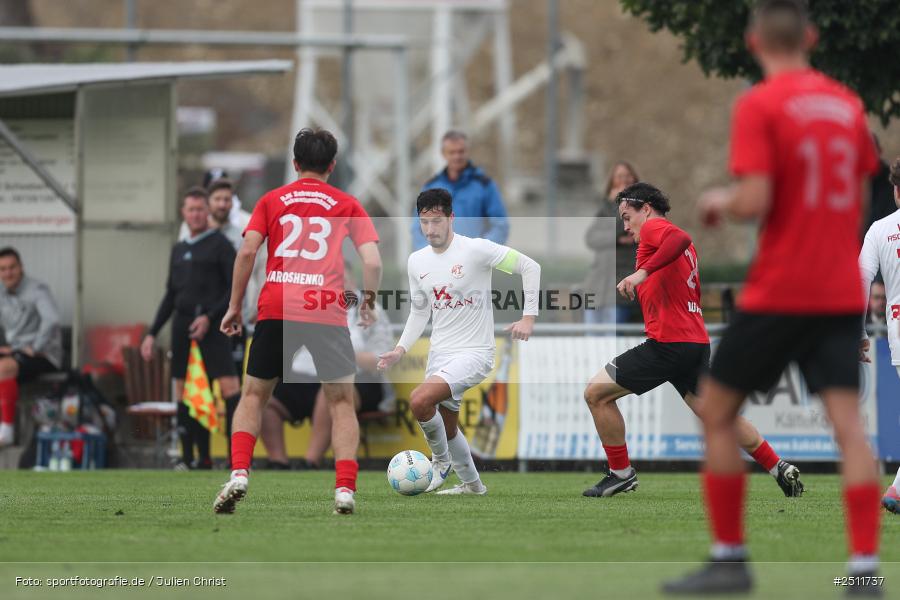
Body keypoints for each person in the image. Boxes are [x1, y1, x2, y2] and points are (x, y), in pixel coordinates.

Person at [664, 1, 882, 594]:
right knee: (849, 429)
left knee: (716, 412)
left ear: (754, 41)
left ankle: (730, 558)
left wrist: (717, 201)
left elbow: (756, 198)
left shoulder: (760, 103)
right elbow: (860, 183)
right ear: (811, 36)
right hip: (838, 291)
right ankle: (864, 570)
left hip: (783, 288)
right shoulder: (847, 105)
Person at [582, 182, 804, 498]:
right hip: (693, 343)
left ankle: (621, 473)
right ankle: (778, 466)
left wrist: (640, 274)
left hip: (667, 344)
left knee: (596, 394)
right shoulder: (669, 243)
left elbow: (680, 237)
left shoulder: (656, 229)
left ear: (645, 209)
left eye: (627, 216)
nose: (626, 225)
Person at [214, 127, 382, 516]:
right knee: (341, 403)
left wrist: (235, 306)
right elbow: (371, 261)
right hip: (325, 308)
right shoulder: (347, 203)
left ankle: (239, 472)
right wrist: (368, 304)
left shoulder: (272, 200)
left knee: (254, 395)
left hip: (277, 306)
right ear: (333, 165)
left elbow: (247, 253)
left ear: (294, 163)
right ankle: (344, 490)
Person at [379, 188, 540, 495]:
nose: (430, 229)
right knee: (449, 427)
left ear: (452, 218)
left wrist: (528, 317)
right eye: (424, 222)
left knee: (419, 400)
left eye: (437, 221)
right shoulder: (417, 261)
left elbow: (530, 267)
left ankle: (440, 464)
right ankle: (474, 486)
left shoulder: (476, 250)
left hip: (475, 353)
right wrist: (400, 349)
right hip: (440, 355)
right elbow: (419, 311)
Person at [141, 188, 240, 470]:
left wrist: (210, 317)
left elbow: (234, 288)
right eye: (191, 209)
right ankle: (192, 457)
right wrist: (151, 333)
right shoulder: (179, 248)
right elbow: (171, 295)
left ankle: (236, 459)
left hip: (213, 326)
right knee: (187, 392)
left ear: (207, 212)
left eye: (200, 209)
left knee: (230, 388)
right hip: (183, 327)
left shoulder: (221, 245)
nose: (196, 214)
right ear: (183, 213)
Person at [260, 267, 395, 469]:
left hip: (361, 379)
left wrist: (339, 352)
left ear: (352, 281)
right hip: (307, 377)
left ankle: (310, 462)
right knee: (263, 396)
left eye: (341, 280)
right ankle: (278, 461)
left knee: (330, 389)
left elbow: (381, 360)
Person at [179, 178, 267, 462]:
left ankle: (235, 457)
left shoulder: (244, 226)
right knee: (200, 388)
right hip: (206, 322)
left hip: (235, 319)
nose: (222, 204)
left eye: (226, 199)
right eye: (217, 199)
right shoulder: (191, 232)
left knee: (234, 388)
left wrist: (249, 307)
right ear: (208, 204)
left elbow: (257, 270)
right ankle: (200, 457)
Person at [859, 157, 900, 515]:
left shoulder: (880, 229)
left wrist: (858, 331)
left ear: (896, 191)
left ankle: (898, 488)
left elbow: (860, 281)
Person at [0, 247, 62, 447]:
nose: (8, 273)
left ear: (21, 267)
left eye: (12, 267)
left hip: (43, 353)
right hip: (17, 352)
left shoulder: (37, 290)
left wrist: (35, 346)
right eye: (3, 269)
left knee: (3, 368)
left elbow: (52, 320)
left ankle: (7, 430)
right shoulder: (1, 294)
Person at [412, 130, 509, 250]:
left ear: (467, 152)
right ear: (443, 154)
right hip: (440, 261)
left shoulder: (485, 186)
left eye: (461, 152)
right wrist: (429, 253)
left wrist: (481, 251)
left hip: (474, 260)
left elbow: (500, 226)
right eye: (452, 152)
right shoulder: (431, 187)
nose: (457, 156)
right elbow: (417, 227)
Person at [582, 161, 640, 327]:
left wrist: (617, 204)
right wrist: (615, 239)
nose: (624, 180)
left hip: (621, 285)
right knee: (592, 340)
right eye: (619, 176)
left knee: (612, 341)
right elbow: (591, 238)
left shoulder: (641, 207)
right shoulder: (605, 207)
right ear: (612, 181)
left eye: (627, 176)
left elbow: (622, 225)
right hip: (598, 284)